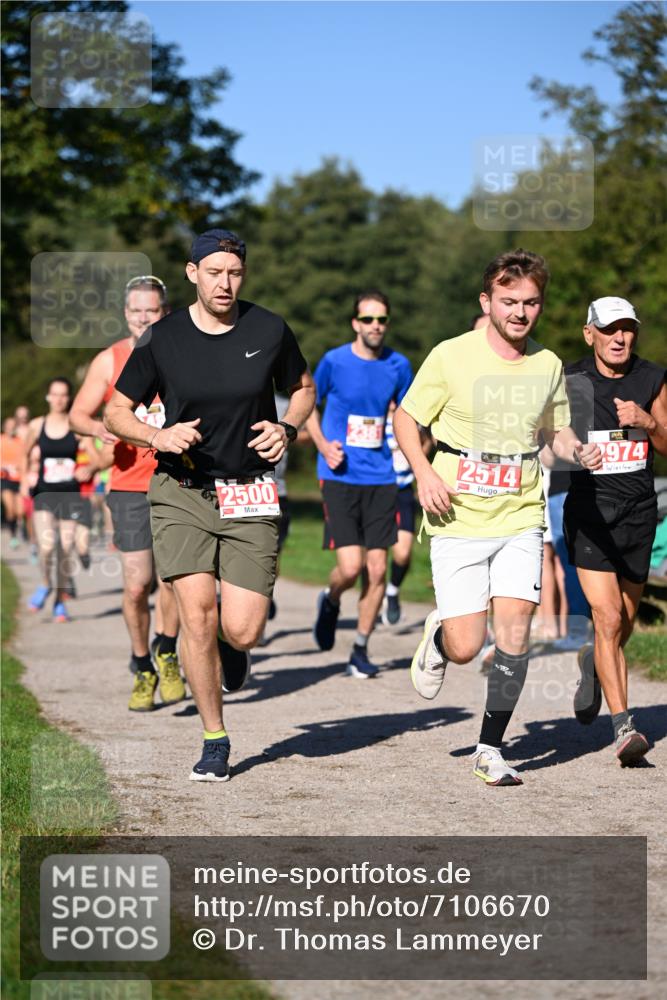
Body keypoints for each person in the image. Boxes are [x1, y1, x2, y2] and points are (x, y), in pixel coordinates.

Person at [104, 228, 315, 781]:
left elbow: (303, 388)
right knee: (196, 615)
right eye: (214, 272)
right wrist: (158, 436)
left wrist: (288, 428)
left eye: (235, 273)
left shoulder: (268, 328)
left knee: (242, 630)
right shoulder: (162, 338)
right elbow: (115, 412)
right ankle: (214, 738)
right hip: (182, 491)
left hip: (248, 490)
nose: (225, 283)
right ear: (192, 273)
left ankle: (232, 645)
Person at [393, 248, 602, 787]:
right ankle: (440, 639)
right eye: (509, 301)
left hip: (520, 513)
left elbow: (554, 430)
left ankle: (490, 748)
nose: (520, 312)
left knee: (514, 634)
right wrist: (424, 473)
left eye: (530, 302)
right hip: (458, 511)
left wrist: (577, 451)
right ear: (487, 302)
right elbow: (407, 419)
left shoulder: (548, 364)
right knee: (467, 646)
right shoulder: (451, 355)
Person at [69, 275, 184, 712]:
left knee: (173, 579)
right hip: (129, 486)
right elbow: (79, 414)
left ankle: (167, 651)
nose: (143, 318)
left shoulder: (181, 352)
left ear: (164, 313)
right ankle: (142, 666)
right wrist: (100, 428)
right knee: (137, 586)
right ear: (125, 314)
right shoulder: (109, 359)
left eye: (151, 311)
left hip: (177, 480)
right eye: (136, 311)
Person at [563, 296, 666, 766]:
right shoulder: (571, 380)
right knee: (606, 618)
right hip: (590, 515)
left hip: (638, 516)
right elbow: (546, 435)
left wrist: (648, 422)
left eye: (627, 328)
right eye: (609, 329)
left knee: (622, 624)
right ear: (590, 334)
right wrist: (572, 452)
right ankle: (624, 728)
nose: (619, 337)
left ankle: (593, 663)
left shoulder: (652, 378)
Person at [308, 291, 413, 677]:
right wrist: (323, 445)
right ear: (355, 323)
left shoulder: (399, 365)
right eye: (368, 319)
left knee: (378, 568)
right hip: (339, 475)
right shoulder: (334, 361)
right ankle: (331, 597)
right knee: (351, 567)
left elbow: (408, 415)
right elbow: (307, 404)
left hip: (382, 476)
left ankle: (360, 648)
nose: (375, 326)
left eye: (381, 320)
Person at [21, 378, 100, 622]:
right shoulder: (37, 425)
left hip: (70, 494)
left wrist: (89, 468)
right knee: (46, 547)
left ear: (69, 398)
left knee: (65, 550)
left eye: (63, 395)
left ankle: (59, 601)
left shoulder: (76, 427)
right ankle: (46, 583)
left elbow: (97, 458)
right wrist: (24, 479)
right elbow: (24, 454)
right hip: (44, 493)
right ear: (48, 397)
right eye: (55, 394)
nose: (59, 399)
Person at [381, 402, 430, 626]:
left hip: (403, 492)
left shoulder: (413, 418)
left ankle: (392, 591)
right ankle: (370, 599)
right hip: (377, 491)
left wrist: (416, 462)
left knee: (402, 553)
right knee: (373, 557)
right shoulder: (375, 416)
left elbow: (426, 441)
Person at [1, 417, 24, 548]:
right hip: (4, 479)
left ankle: (21, 530)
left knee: (20, 511)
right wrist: (5, 466)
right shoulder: (1, 440)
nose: (11, 428)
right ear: (4, 427)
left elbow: (24, 459)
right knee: (10, 508)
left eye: (13, 425)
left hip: (19, 479)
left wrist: (19, 467)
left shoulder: (20, 441)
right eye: (8, 425)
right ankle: (13, 536)